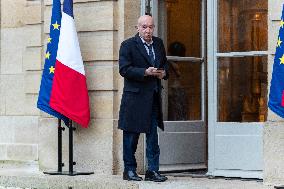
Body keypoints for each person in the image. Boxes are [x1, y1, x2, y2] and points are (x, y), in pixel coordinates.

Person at [118, 15, 169, 182]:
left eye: (151, 27)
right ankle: (129, 170)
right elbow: (124, 69)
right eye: (144, 27)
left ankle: (152, 171)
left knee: (153, 137)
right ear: (137, 28)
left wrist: (163, 73)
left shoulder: (159, 43)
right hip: (134, 98)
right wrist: (144, 72)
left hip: (153, 97)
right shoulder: (128, 45)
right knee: (131, 137)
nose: (148, 31)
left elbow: (165, 65)